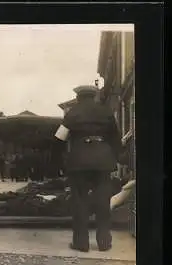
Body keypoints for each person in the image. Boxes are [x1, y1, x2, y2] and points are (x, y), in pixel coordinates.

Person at [54, 84, 126, 252]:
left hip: (79, 162)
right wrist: (114, 158)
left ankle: (81, 243)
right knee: (103, 201)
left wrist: (60, 162)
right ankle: (104, 242)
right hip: (103, 162)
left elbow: (59, 139)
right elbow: (116, 139)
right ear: (94, 96)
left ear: (78, 97)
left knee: (79, 202)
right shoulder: (106, 112)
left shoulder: (72, 113)